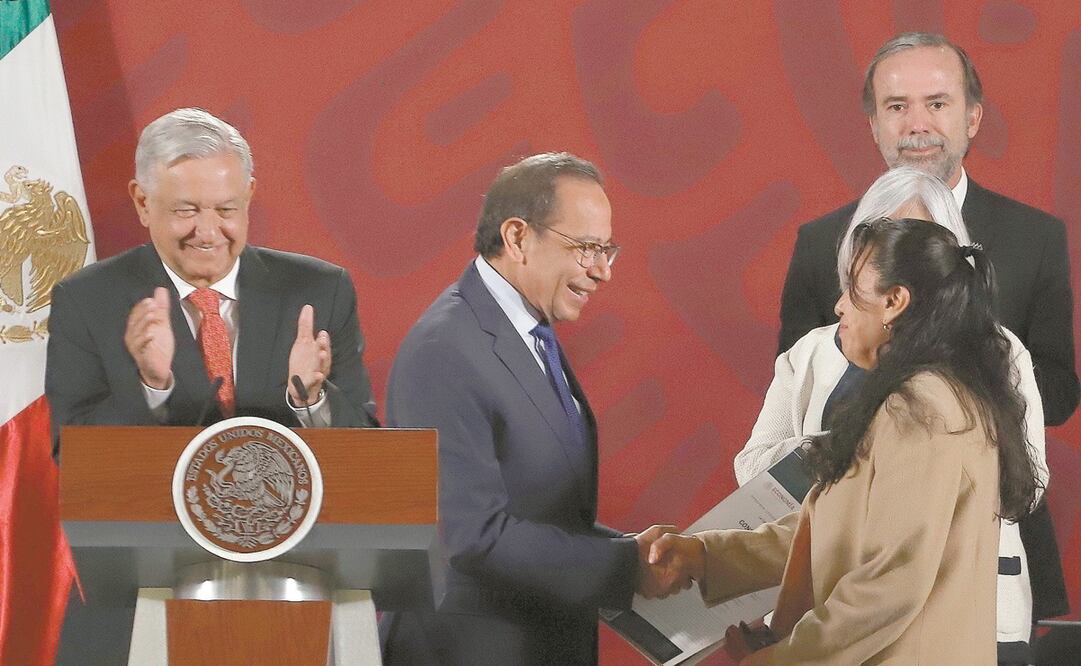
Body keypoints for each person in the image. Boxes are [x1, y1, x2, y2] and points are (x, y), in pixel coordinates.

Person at [777, 32, 1073, 622]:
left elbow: (1062, 388)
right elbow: (795, 393)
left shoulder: (1034, 237)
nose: (917, 124)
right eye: (896, 106)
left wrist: (961, 379)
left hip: (992, 555)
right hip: (851, 558)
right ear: (873, 125)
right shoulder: (819, 244)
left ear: (973, 118)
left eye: (937, 104)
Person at [655, 217, 1041, 663]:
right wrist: (706, 556)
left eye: (853, 289)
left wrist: (777, 660)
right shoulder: (935, 395)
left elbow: (891, 582)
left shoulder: (920, 409)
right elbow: (837, 529)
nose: (839, 307)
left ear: (894, 302)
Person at [379, 153, 672, 664]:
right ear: (517, 238)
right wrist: (624, 566)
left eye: (608, 250)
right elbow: (472, 536)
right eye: (586, 249)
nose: (602, 271)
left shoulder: (528, 331)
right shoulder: (446, 347)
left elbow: (539, 510)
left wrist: (635, 550)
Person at [46, 107, 378, 455]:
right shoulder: (87, 300)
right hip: (153, 509)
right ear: (142, 202)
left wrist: (311, 401)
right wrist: (149, 387)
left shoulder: (319, 290)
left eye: (226, 210)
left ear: (248, 195)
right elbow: (73, 454)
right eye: (186, 211)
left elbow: (370, 450)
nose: (207, 233)